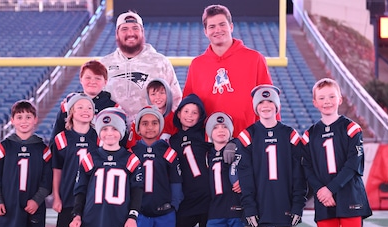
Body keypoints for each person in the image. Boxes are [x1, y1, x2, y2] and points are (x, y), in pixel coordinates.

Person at [219, 85, 310, 227]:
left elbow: (299, 173)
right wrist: (249, 207)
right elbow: (245, 174)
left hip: (285, 202)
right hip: (258, 204)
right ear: (256, 108)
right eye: (261, 103)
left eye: (270, 103)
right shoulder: (248, 135)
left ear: (276, 106)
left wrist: (298, 203)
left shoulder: (289, 134)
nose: (266, 106)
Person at [302, 78, 373, 227]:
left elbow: (354, 163)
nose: (327, 101)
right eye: (321, 98)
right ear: (314, 102)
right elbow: (307, 167)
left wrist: (329, 189)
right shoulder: (310, 133)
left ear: (340, 99)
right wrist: (322, 192)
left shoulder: (351, 128)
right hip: (324, 199)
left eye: (331, 96)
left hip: (348, 195)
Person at [51, 93, 118, 227]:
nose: (85, 111)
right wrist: (56, 196)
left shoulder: (99, 136)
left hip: (94, 197)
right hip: (69, 196)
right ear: (71, 112)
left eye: (89, 107)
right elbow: (57, 169)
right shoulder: (61, 138)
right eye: (79, 107)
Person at [183, 4, 273, 136]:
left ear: (231, 27)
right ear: (205, 31)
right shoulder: (197, 65)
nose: (217, 30)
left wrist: (272, 134)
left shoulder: (255, 59)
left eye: (222, 24)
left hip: (248, 140)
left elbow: (270, 100)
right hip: (210, 143)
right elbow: (189, 106)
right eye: (212, 27)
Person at [129, 106, 183, 227]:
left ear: (160, 126)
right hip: (141, 211)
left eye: (154, 123)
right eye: (145, 123)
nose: (150, 127)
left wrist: (174, 204)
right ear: (137, 128)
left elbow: (176, 179)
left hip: (164, 211)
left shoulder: (167, 151)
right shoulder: (133, 151)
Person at [101, 10, 182, 126]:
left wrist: (164, 129)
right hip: (112, 133)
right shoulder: (104, 64)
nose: (130, 33)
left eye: (135, 28)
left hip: (150, 134)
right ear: (117, 34)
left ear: (142, 32)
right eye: (124, 29)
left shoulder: (160, 62)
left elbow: (176, 100)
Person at [168, 94, 212, 227]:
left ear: (200, 116)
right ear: (178, 113)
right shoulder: (173, 139)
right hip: (187, 198)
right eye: (186, 111)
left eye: (194, 112)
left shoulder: (206, 134)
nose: (190, 115)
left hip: (207, 195)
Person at [50, 59, 118, 139]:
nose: (92, 81)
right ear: (81, 79)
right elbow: (56, 137)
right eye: (88, 78)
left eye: (98, 78)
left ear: (105, 82)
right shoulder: (68, 103)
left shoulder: (113, 108)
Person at [126, 78, 178, 148]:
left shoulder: (175, 119)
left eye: (162, 93)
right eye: (153, 94)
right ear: (148, 96)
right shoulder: (141, 118)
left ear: (168, 94)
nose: (158, 97)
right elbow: (131, 148)